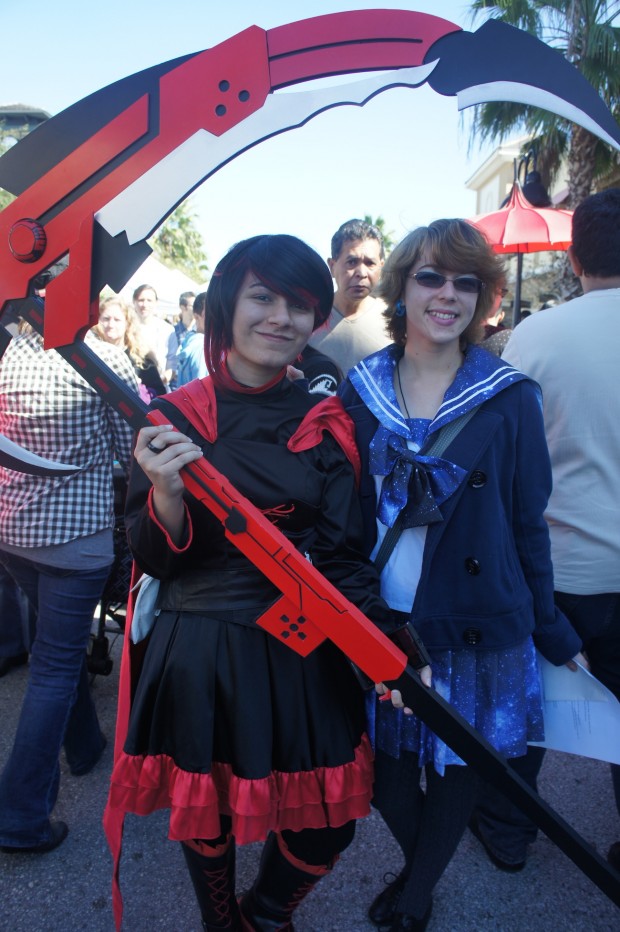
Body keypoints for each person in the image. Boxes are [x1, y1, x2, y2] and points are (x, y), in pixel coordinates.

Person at [104, 234, 419, 931]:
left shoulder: (327, 420)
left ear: (318, 321)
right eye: (263, 297)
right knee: (207, 811)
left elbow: (342, 555)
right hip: (199, 646)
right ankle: (223, 924)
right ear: (227, 304)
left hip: (303, 645)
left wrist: (385, 640)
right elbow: (153, 559)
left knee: (326, 824)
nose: (281, 317)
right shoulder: (175, 417)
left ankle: (266, 914)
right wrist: (164, 495)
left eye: (301, 305)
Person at [338, 218, 584, 931]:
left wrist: (551, 627)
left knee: (457, 768)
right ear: (402, 288)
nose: (448, 295)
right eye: (431, 277)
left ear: (486, 299)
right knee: (386, 775)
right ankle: (424, 872)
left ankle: (415, 897)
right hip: (383, 616)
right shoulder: (359, 392)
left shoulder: (511, 398)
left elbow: (526, 522)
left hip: (481, 620)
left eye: (466, 282)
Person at [478, 188, 620, 874]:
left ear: (573, 255)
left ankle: (508, 833)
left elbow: (502, 450)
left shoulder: (538, 334)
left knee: (526, 713)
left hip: (555, 570)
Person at [0, 319, 137, 853]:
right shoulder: (98, 358)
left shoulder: (13, 354)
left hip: (15, 532)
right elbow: (135, 451)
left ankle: (84, 744)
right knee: (55, 665)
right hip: (75, 539)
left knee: (54, 652)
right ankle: (19, 814)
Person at [309, 218, 390, 375]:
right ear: (332, 266)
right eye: (352, 262)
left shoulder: (395, 321)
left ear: (381, 267)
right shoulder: (309, 317)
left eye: (370, 263)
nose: (361, 273)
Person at [94, 296, 167, 400]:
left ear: (127, 323)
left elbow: (160, 395)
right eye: (106, 319)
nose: (110, 325)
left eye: (117, 320)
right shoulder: (91, 354)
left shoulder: (142, 360)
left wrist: (139, 389)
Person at [132, 284, 176, 386]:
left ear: (156, 303)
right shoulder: (127, 328)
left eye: (149, 300)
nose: (145, 304)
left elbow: (172, 360)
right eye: (141, 300)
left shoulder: (168, 329)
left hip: (159, 384)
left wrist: (165, 377)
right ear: (134, 302)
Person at [175, 291, 208, 386]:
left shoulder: (191, 339)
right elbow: (203, 390)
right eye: (210, 313)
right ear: (196, 316)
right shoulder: (201, 348)